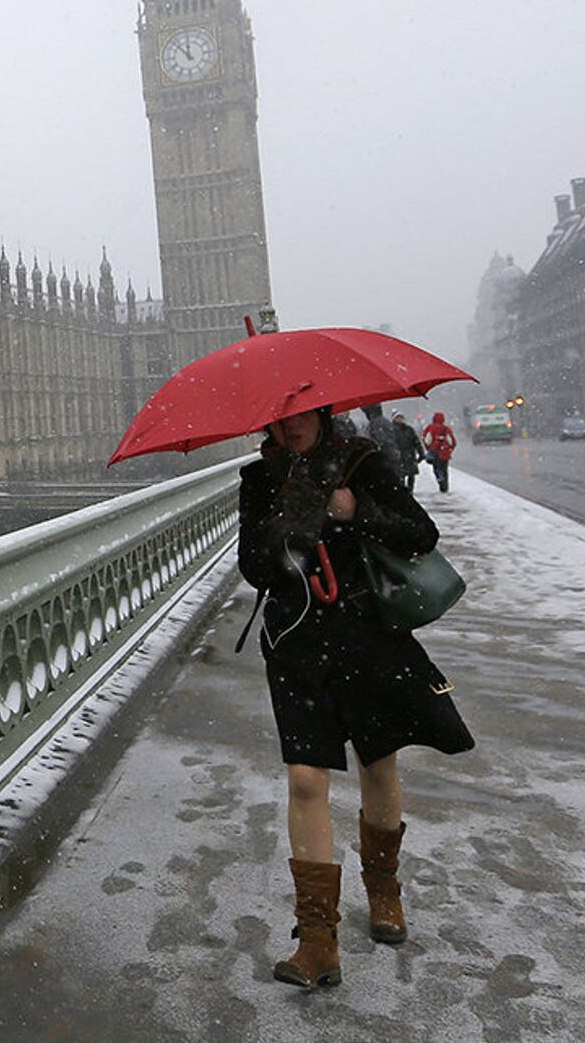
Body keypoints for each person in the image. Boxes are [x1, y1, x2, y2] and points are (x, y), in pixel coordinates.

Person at [237, 407, 474, 990]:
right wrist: (285, 531)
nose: (287, 429)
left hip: (367, 635)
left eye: (297, 418)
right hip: (296, 644)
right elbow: (253, 568)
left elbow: (420, 533)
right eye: (276, 421)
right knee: (305, 780)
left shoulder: (362, 462)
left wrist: (353, 511)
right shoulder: (259, 479)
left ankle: (384, 890)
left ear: (320, 414)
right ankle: (318, 940)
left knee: (378, 762)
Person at [391, 411, 427, 492]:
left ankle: (410, 491)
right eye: (397, 418)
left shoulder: (409, 429)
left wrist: (421, 453)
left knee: (411, 476)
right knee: (401, 476)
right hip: (398, 456)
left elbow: (416, 442)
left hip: (409, 455)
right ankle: (402, 492)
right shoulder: (391, 430)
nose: (400, 420)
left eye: (401, 418)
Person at [422, 411, 457, 492]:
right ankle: (445, 486)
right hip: (444, 453)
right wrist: (449, 450)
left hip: (435, 452)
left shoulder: (430, 428)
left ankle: (440, 479)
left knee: (436, 468)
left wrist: (429, 448)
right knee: (444, 469)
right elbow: (452, 442)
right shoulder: (446, 429)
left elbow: (427, 440)